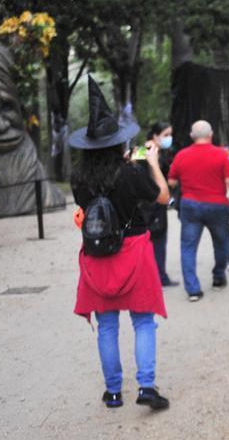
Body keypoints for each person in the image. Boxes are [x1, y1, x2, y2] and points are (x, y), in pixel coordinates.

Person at [70, 76, 171, 410]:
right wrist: (152, 164)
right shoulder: (129, 173)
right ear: (117, 144)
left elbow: (90, 206)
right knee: (143, 321)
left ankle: (113, 392)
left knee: (107, 326)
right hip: (134, 250)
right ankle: (146, 387)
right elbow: (163, 197)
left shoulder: (78, 177)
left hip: (98, 255)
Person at [168, 120, 229, 302]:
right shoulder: (221, 155)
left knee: (188, 247)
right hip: (217, 205)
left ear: (192, 136)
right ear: (211, 135)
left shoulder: (181, 156)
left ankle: (193, 290)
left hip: (190, 205)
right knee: (221, 243)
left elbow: (171, 182)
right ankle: (218, 277)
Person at [142, 121, 176, 287]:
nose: (169, 138)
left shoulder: (148, 151)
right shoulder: (150, 152)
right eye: (166, 135)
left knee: (154, 241)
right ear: (155, 136)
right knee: (157, 242)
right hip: (153, 203)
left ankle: (157, 276)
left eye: (170, 134)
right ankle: (159, 277)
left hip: (151, 202)